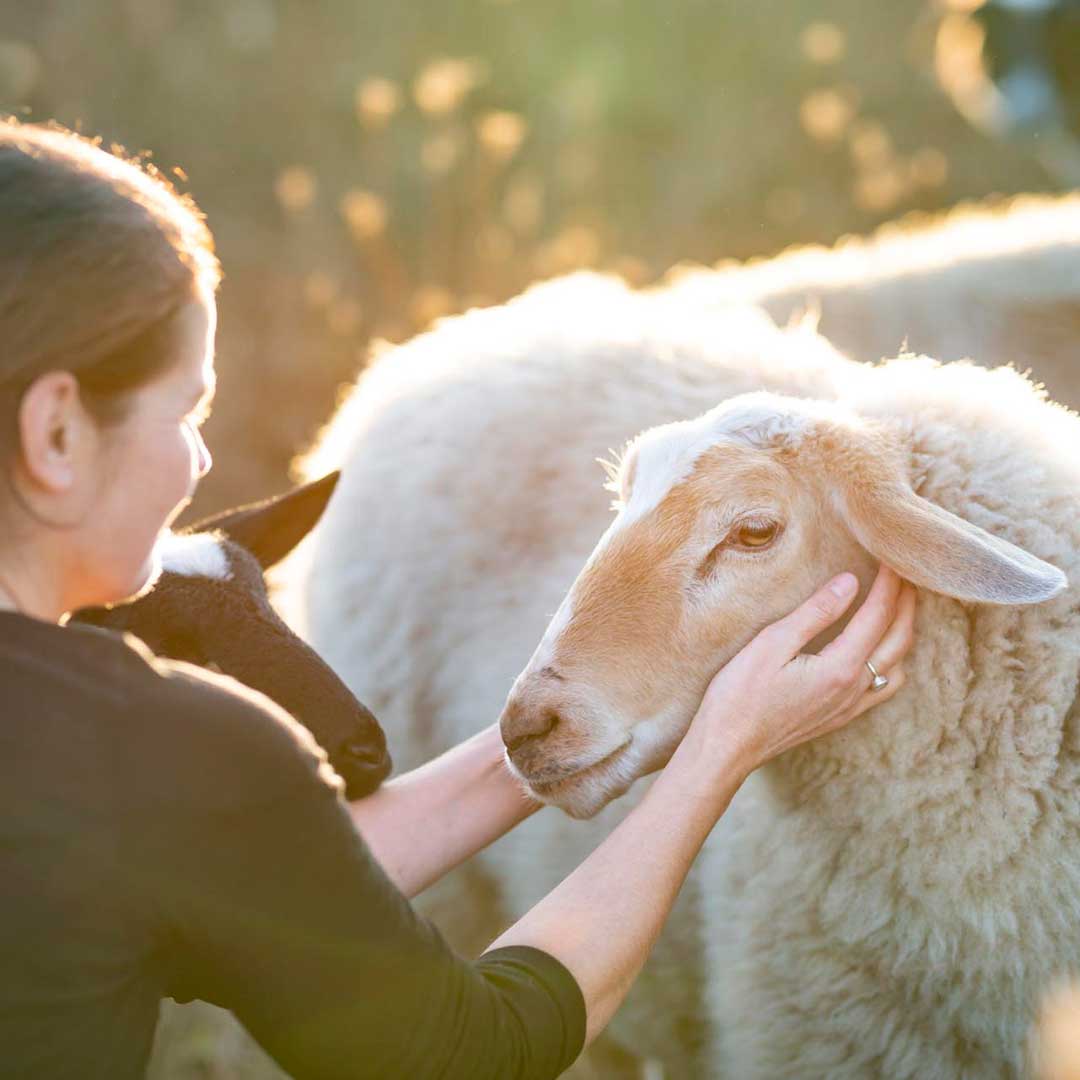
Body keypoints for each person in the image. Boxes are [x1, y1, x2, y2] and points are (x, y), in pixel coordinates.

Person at [0, 120, 916, 1080]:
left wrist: (605, 713)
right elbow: (476, 1048)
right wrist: (722, 749)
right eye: (186, 412)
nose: (200, 459)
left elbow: (258, 867)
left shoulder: (114, 773)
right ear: (56, 431)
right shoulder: (152, 747)